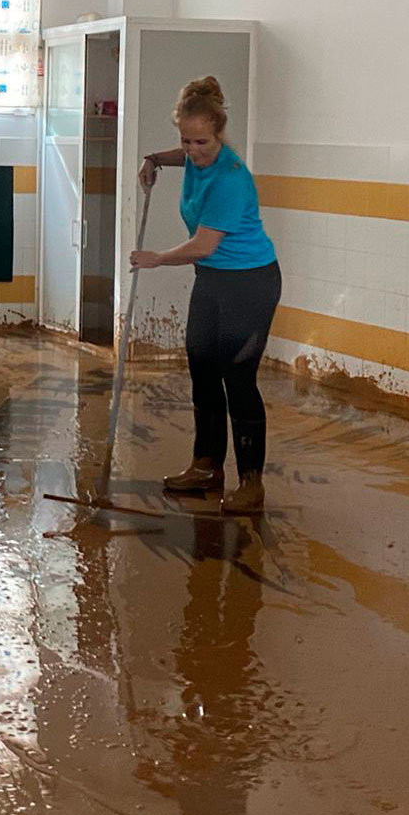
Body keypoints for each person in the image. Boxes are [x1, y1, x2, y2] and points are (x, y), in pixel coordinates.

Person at [132, 76, 282, 514]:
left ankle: (251, 483)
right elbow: (183, 157)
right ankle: (206, 466)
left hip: (250, 283)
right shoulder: (194, 158)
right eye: (186, 140)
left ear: (219, 135)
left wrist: (156, 259)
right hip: (213, 281)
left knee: (238, 378)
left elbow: (203, 245)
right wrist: (155, 159)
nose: (193, 151)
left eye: (202, 142)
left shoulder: (230, 178)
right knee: (201, 368)